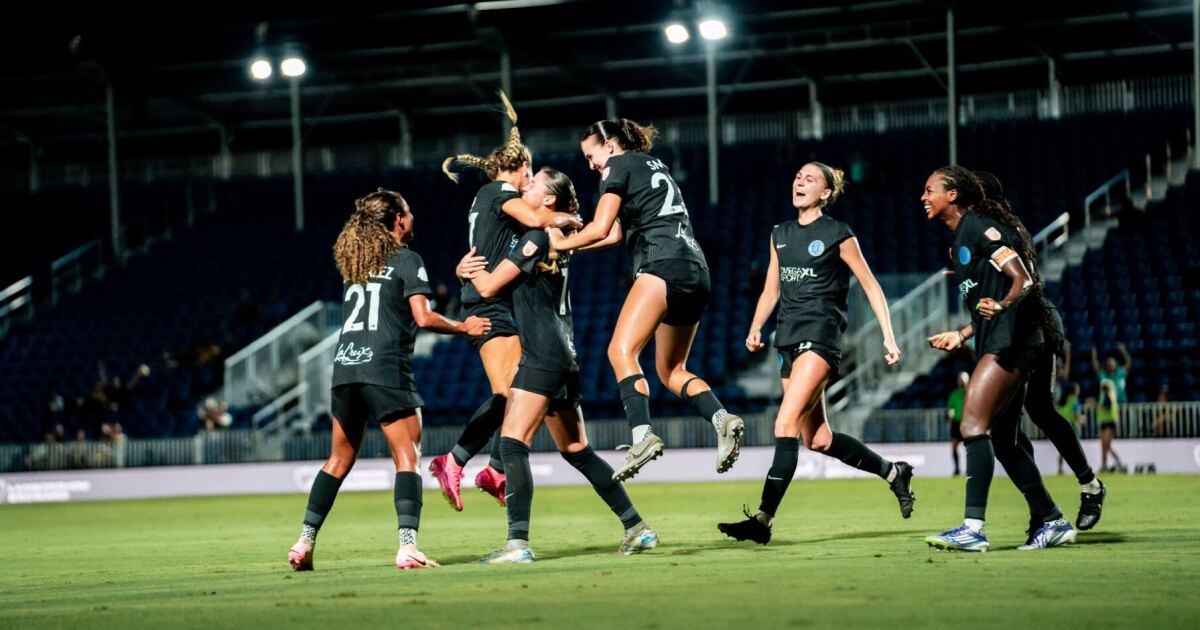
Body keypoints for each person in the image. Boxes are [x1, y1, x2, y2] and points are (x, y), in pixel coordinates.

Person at [460, 167, 657, 563]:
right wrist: (578, 218)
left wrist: (464, 269)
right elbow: (613, 234)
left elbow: (486, 288)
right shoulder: (563, 238)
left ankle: (517, 544)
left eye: (532, 185)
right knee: (576, 450)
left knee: (513, 443)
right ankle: (637, 528)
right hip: (565, 353)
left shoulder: (533, 237)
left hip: (542, 355)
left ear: (548, 200)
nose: (524, 187)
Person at [287, 189, 491, 572]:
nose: (413, 217)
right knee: (407, 458)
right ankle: (408, 547)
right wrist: (466, 326)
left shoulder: (357, 266)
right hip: (384, 369)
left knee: (337, 460)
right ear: (398, 219)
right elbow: (424, 317)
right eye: (409, 212)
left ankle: (304, 541)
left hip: (346, 368)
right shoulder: (407, 259)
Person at [716, 162, 912, 545]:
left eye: (809, 179)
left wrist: (889, 336)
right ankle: (894, 472)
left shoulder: (838, 233)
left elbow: (870, 286)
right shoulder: (780, 234)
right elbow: (771, 290)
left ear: (825, 193)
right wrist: (756, 326)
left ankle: (762, 519)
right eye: (797, 177)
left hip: (820, 337)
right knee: (818, 439)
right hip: (786, 339)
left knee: (784, 425)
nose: (799, 181)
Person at [547, 118, 744, 481]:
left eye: (591, 155)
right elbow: (615, 235)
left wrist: (557, 243)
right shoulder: (655, 165)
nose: (590, 163)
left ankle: (642, 436)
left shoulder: (617, 166)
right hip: (696, 270)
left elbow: (601, 227)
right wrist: (576, 238)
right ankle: (722, 419)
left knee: (620, 351)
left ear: (609, 147)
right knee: (671, 370)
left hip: (661, 263)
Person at [427, 91, 583, 512]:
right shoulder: (498, 193)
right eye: (528, 173)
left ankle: (489, 467)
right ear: (518, 168)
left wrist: (464, 271)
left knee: (518, 389)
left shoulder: (484, 201)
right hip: (488, 304)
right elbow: (535, 219)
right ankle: (459, 461)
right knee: (513, 391)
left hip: (487, 297)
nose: (529, 182)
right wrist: (570, 218)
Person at [921, 166, 1074, 552]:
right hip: (997, 338)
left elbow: (1022, 278)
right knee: (1005, 442)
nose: (923, 197)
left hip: (1013, 341)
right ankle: (1052, 521)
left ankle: (973, 528)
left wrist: (1003, 304)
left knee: (973, 425)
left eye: (929, 190)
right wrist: (962, 333)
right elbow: (982, 306)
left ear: (952, 195)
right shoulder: (959, 243)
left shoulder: (979, 226)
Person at [947, 372, 968, 476]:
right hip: (956, 423)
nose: (961, 381)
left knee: (969, 446)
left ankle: (970, 468)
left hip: (967, 422)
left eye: (963, 379)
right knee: (954, 446)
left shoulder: (970, 393)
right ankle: (957, 469)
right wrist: (950, 421)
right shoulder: (954, 394)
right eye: (959, 379)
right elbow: (950, 409)